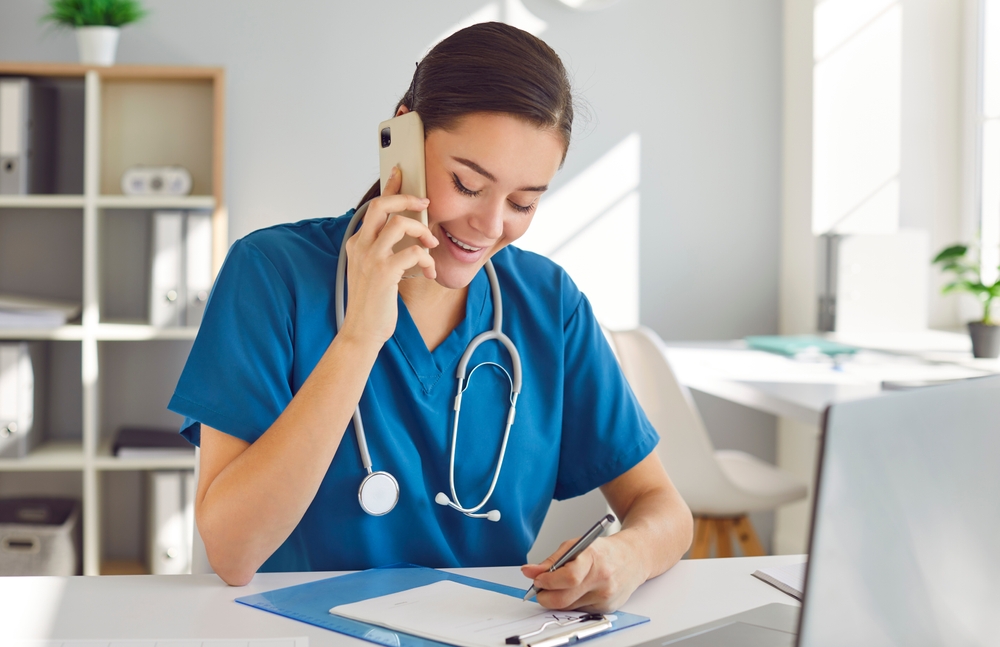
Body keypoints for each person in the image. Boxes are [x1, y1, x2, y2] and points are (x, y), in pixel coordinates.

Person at [168, 22, 692, 612]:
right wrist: (361, 335)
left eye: (523, 202)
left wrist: (627, 556)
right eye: (468, 184)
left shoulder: (548, 303)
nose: (492, 226)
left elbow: (663, 507)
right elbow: (233, 553)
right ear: (404, 134)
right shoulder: (271, 273)